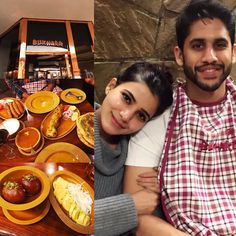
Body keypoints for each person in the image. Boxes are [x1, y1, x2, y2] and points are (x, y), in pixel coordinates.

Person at [124, 0, 236, 235]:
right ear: (179, 54)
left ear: (233, 52)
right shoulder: (157, 118)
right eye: (197, 45)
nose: (210, 57)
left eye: (219, 45)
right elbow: (135, 217)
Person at [95, 62, 173, 236]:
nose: (125, 116)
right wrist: (131, 205)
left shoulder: (136, 150)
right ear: (111, 86)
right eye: (127, 98)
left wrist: (166, 184)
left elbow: (148, 209)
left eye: (141, 115)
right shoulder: (75, 125)